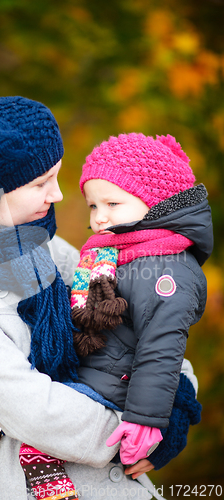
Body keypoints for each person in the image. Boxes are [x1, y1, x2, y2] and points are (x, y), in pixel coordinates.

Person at [0, 97, 201, 500]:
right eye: (40, 184)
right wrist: (136, 432)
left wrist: (168, 413)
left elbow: (152, 327)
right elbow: (30, 407)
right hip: (35, 484)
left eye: (56, 176)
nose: (56, 195)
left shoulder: (44, 246)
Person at [69, 132, 212, 466]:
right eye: (93, 205)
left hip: (118, 398)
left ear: (156, 203)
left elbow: (161, 345)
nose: (99, 217)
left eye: (112, 204)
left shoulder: (165, 265)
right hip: (96, 382)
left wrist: (144, 420)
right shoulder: (116, 255)